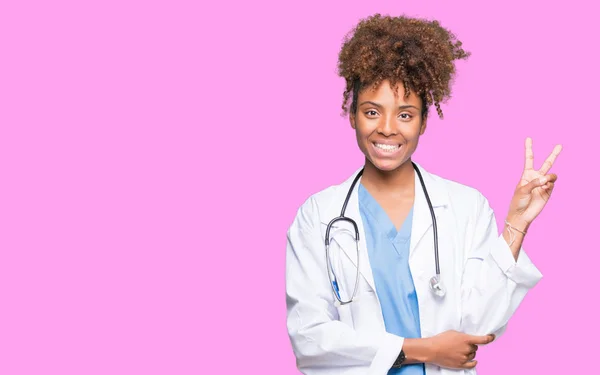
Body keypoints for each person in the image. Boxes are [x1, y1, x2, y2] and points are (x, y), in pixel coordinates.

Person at [284, 13, 562, 375]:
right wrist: (422, 350)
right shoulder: (318, 214)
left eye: (405, 114)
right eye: (372, 111)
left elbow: (480, 326)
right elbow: (310, 341)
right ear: (351, 115)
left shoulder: (466, 207)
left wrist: (517, 223)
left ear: (423, 122)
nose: (386, 129)